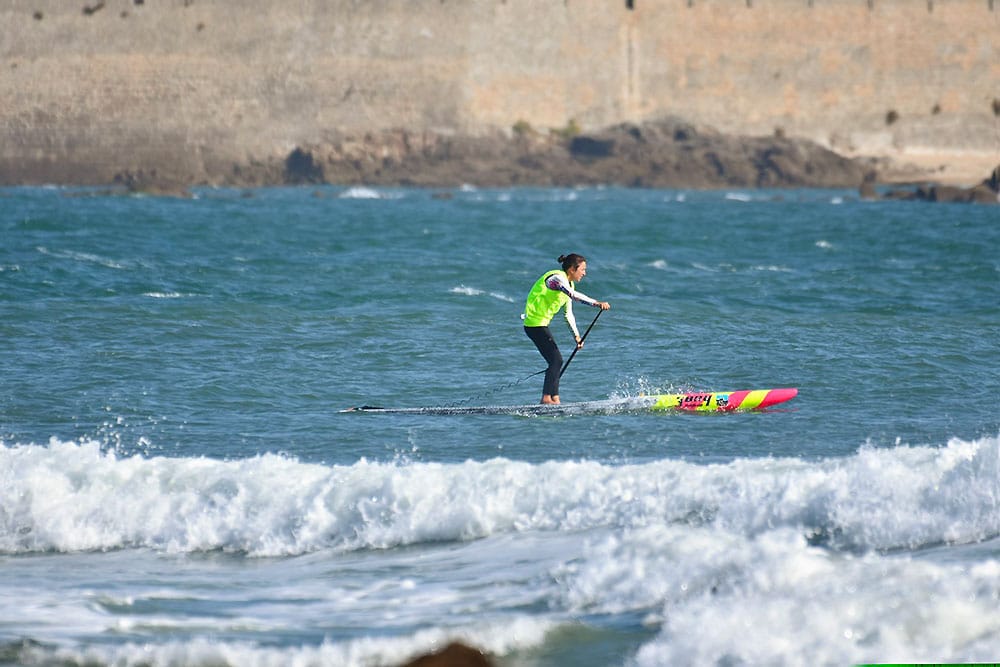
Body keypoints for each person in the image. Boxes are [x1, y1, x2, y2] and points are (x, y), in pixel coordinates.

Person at [522, 253, 611, 405]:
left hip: (540, 324)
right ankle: (546, 399)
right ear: (572, 269)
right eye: (582, 269)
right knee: (556, 360)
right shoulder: (555, 279)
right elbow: (573, 296)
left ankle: (555, 399)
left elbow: (568, 313)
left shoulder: (570, 284)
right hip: (534, 324)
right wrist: (595, 303)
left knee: (556, 361)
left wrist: (576, 336)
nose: (584, 273)